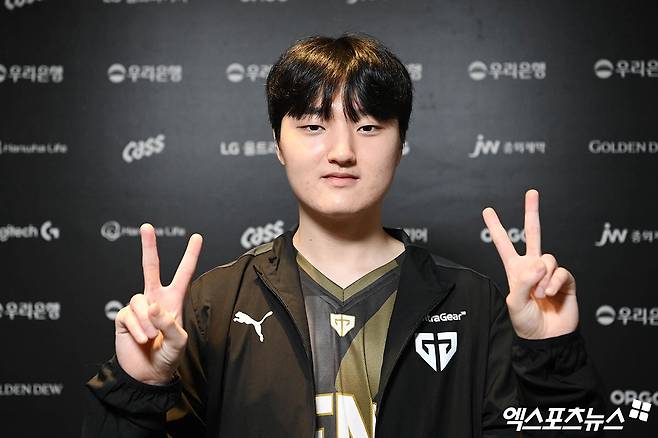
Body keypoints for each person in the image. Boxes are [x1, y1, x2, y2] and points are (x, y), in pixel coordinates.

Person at [82, 33, 604, 437]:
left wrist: (551, 355)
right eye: (313, 126)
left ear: (401, 142)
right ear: (278, 144)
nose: (342, 151)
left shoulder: (474, 303)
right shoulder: (214, 305)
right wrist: (139, 386)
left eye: (368, 126)